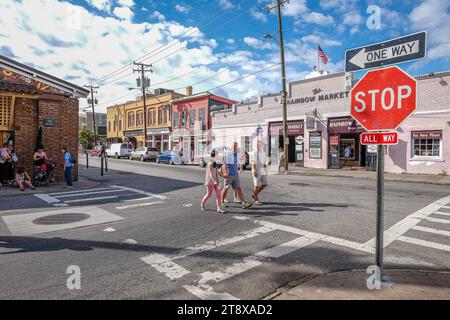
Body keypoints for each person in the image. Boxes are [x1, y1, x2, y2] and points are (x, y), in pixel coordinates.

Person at [220, 142, 253, 211]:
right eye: (233, 146)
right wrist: (225, 173)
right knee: (225, 188)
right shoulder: (228, 154)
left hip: (235, 174)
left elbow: (236, 164)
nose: (234, 147)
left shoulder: (237, 154)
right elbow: (224, 165)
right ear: (231, 147)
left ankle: (244, 203)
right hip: (229, 175)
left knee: (238, 189)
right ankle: (222, 202)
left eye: (235, 146)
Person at [251, 140, 269, 205]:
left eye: (261, 144)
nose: (260, 145)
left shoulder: (263, 152)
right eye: (258, 144)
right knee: (256, 186)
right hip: (256, 169)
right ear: (257, 145)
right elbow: (253, 162)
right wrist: (255, 170)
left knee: (265, 183)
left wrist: (265, 165)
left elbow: (265, 160)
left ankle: (255, 194)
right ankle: (256, 199)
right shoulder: (254, 152)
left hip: (262, 170)